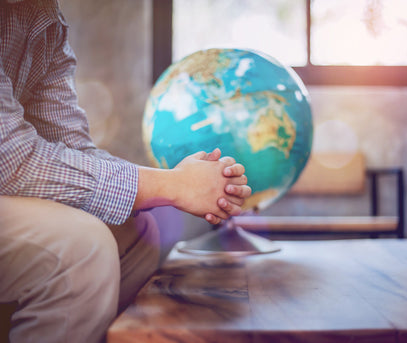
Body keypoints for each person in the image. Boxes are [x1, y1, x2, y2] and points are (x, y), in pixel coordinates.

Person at [0, 0, 252, 342]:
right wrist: (173, 185)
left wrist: (176, 183)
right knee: (81, 248)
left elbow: (71, 147)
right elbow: (11, 160)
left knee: (135, 231)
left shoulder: (41, 16)